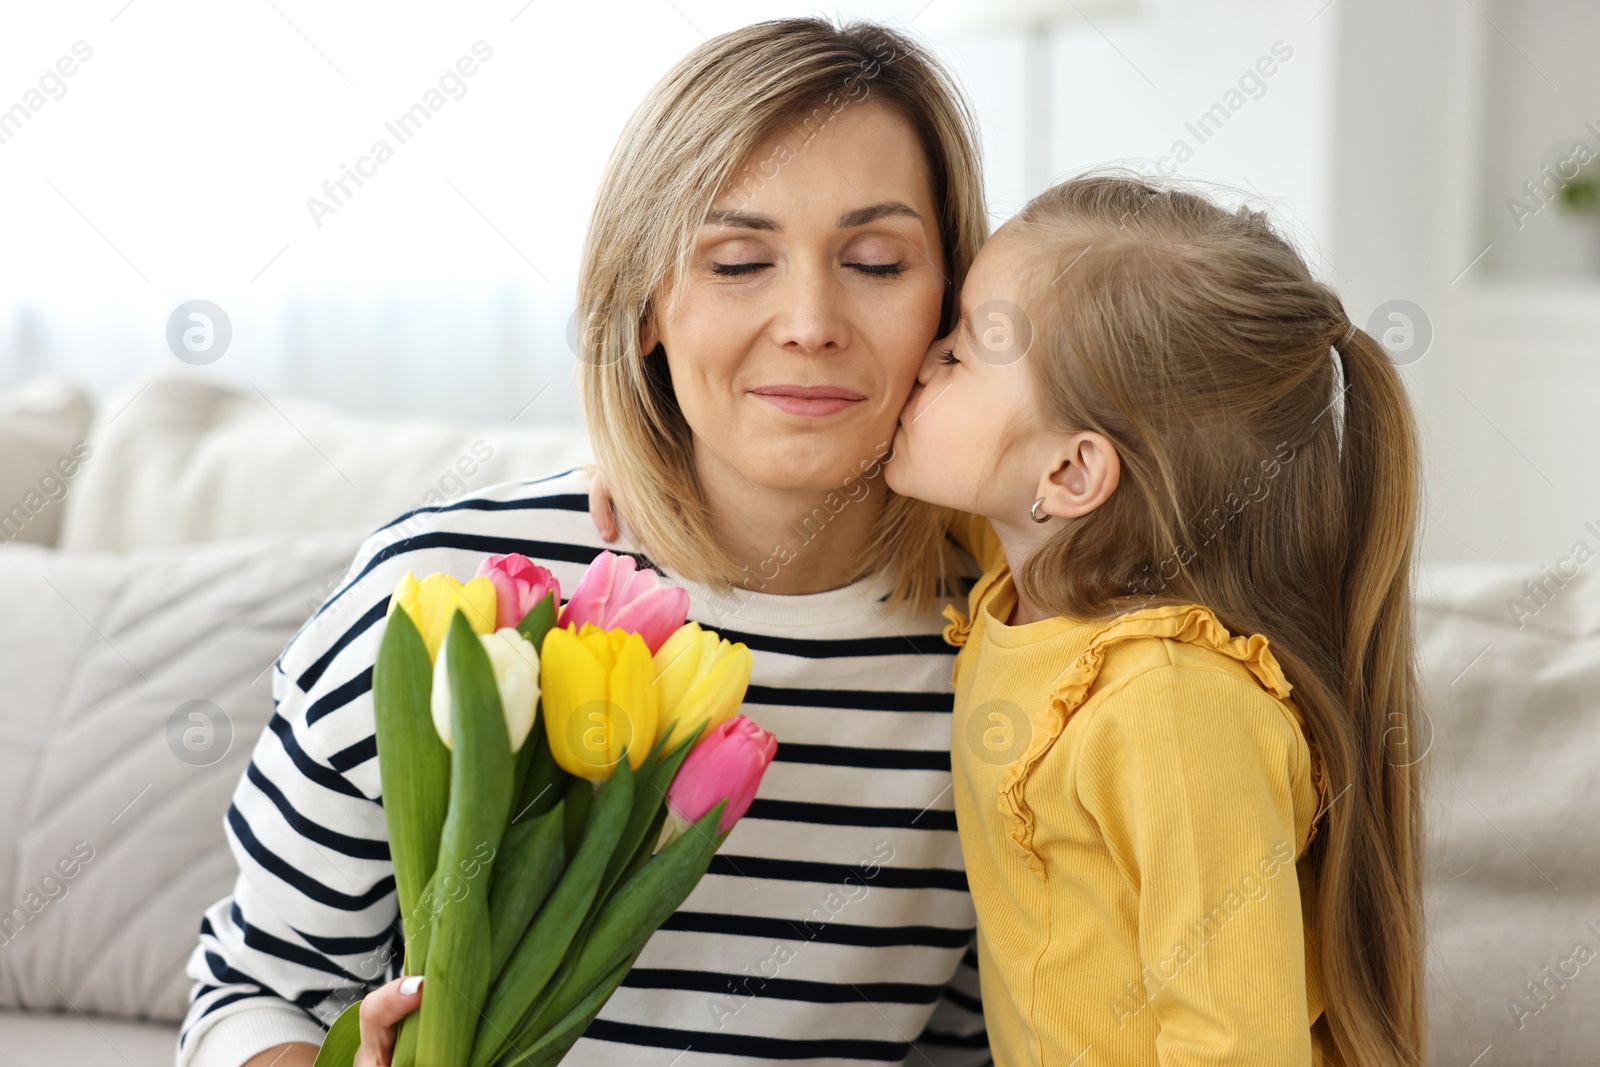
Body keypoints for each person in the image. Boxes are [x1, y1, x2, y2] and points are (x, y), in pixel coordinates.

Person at [177, 18, 996, 1067]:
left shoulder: (1002, 645)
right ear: (644, 302)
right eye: (738, 260)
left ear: (953, 307)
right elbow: (255, 989)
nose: (810, 320)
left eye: (876, 261)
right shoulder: (446, 597)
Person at [882, 173, 1427, 1065]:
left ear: (1069, 474)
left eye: (956, 354)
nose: (917, 358)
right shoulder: (1024, 576)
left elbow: (1237, 1045)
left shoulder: (1174, 708)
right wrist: (660, 471)